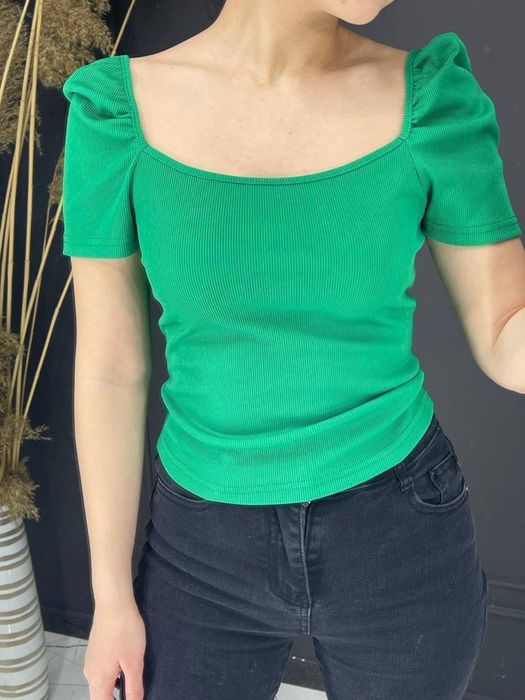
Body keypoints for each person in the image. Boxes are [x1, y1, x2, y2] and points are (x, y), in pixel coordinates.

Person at [60, 0, 525, 698]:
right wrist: (110, 598)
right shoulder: (115, 115)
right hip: (201, 548)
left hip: (398, 527)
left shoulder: (431, 101)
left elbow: (505, 330)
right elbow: (108, 369)